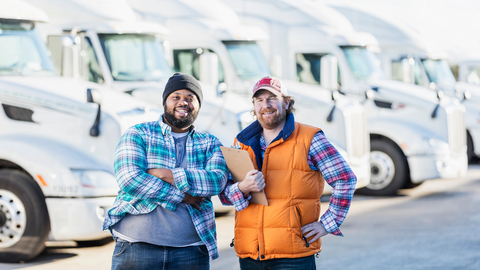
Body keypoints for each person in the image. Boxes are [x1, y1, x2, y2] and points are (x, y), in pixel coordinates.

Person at [219, 76, 357, 269]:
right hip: (251, 254)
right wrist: (243, 188)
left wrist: (327, 224)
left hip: (293, 257)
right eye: (259, 100)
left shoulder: (310, 139)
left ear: (286, 102)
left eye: (272, 98)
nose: (265, 105)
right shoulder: (241, 142)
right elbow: (224, 195)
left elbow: (345, 179)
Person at [103, 73, 228, 270]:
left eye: (190, 98)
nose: (183, 102)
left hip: (191, 251)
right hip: (136, 247)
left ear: (198, 105)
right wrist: (183, 196)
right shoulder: (138, 133)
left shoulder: (210, 143)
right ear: (165, 102)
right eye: (176, 97)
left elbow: (216, 181)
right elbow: (130, 179)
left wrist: (163, 174)